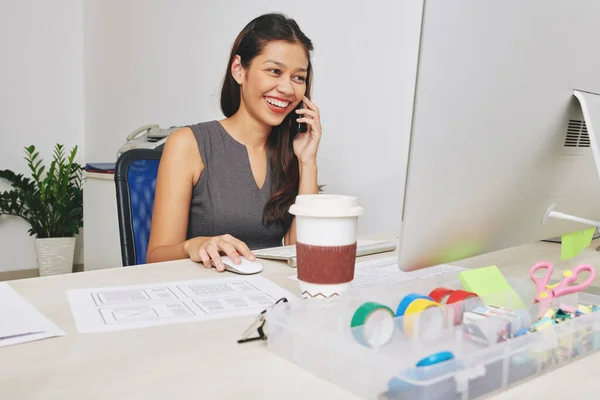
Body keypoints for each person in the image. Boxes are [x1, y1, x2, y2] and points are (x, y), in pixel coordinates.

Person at [146, 13, 322, 272]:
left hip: (270, 296)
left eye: (298, 77)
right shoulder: (188, 143)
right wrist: (193, 246)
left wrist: (307, 163)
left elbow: (302, 254)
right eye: (275, 71)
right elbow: (155, 257)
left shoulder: (291, 152)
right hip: (205, 297)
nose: (287, 88)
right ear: (239, 70)